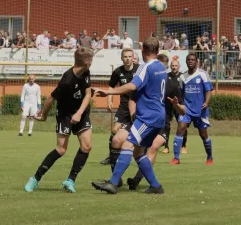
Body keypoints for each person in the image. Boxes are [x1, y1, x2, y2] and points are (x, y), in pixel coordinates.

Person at [91, 37, 167, 194]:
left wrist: (108, 92)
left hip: (148, 116)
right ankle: (155, 186)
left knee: (127, 145)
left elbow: (133, 85)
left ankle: (112, 183)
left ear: (143, 51)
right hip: (159, 115)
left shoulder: (145, 67)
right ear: (158, 51)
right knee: (138, 152)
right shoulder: (161, 66)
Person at [24, 47, 94, 193]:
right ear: (87, 62)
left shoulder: (86, 72)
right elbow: (51, 98)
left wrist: (80, 113)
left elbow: (88, 94)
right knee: (61, 149)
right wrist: (43, 116)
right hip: (65, 114)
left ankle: (70, 180)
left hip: (80, 112)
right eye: (91, 60)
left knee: (86, 146)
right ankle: (35, 179)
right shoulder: (67, 79)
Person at [126, 54, 185, 190]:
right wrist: (133, 113)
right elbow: (133, 97)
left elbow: (183, 110)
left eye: (163, 67)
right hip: (146, 120)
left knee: (152, 148)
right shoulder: (147, 80)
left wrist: (175, 105)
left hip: (163, 123)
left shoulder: (171, 84)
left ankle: (137, 179)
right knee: (138, 150)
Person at [170, 53, 214, 165]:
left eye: (193, 60)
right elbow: (181, 93)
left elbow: (208, 90)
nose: (190, 61)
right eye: (188, 60)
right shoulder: (182, 77)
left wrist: (206, 102)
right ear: (186, 62)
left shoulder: (203, 74)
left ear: (197, 61)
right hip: (187, 109)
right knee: (180, 129)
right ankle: (176, 158)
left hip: (200, 110)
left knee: (203, 134)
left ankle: (209, 157)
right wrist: (181, 104)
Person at [100, 48, 140, 169]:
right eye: (125, 57)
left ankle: (139, 155)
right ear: (122, 58)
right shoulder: (118, 71)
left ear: (133, 57)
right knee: (114, 130)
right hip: (123, 106)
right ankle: (111, 156)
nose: (128, 59)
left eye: (129, 56)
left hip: (137, 106)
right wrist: (109, 101)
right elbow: (111, 87)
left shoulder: (139, 69)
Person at [161, 58, 188, 154]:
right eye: (172, 65)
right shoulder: (166, 76)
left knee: (182, 124)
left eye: (176, 66)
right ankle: (166, 147)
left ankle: (183, 146)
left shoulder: (183, 76)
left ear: (179, 66)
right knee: (166, 125)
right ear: (170, 66)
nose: (174, 67)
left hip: (179, 104)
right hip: (168, 103)